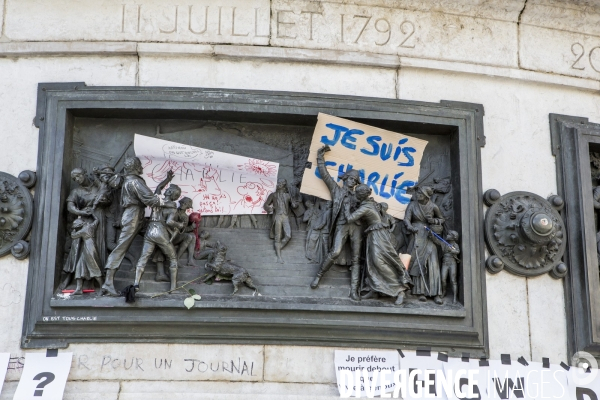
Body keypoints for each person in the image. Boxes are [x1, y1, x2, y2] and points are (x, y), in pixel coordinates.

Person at [102, 158, 171, 296]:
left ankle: (160, 272)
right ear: (135, 167)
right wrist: (169, 202)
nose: (142, 168)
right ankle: (108, 282)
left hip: (136, 215)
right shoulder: (135, 181)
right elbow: (149, 199)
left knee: (156, 236)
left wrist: (166, 180)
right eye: (140, 165)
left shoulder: (129, 180)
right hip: (133, 215)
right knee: (121, 247)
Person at [309, 145, 363, 301]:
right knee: (335, 252)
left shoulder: (359, 194)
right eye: (351, 178)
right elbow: (324, 174)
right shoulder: (336, 190)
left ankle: (354, 291)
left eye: (356, 180)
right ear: (345, 178)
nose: (353, 182)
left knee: (356, 258)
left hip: (356, 228)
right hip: (341, 225)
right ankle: (319, 276)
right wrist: (320, 157)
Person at [345, 184, 412, 305]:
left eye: (357, 193)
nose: (355, 195)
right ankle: (375, 288)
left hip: (377, 235)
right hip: (374, 234)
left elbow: (350, 218)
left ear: (361, 195)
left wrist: (345, 207)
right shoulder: (371, 203)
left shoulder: (365, 207)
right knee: (371, 262)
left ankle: (399, 290)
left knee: (378, 261)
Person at [133, 184, 184, 292]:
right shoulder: (172, 208)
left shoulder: (156, 200)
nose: (167, 190)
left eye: (169, 189)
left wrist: (166, 180)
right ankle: (173, 288)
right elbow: (169, 222)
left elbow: (158, 189)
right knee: (173, 258)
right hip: (161, 232)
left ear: (170, 192)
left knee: (143, 257)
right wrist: (179, 225)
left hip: (150, 230)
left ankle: (136, 283)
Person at [404, 186, 445, 304]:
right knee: (417, 260)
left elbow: (441, 219)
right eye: (417, 193)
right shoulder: (412, 205)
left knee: (432, 261)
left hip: (429, 234)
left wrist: (434, 221)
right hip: (416, 233)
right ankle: (420, 291)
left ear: (426, 196)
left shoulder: (433, 206)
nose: (418, 195)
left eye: (420, 194)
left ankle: (435, 293)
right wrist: (410, 227)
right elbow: (407, 219)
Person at [63, 216, 104, 295]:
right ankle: (79, 289)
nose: (76, 228)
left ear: (79, 225)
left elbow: (73, 236)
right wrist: (93, 214)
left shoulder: (83, 230)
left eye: (76, 226)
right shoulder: (91, 225)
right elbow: (97, 220)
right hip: (89, 248)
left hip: (89, 249)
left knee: (94, 268)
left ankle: (103, 287)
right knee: (79, 267)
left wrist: (73, 231)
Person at [263, 178, 298, 263]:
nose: (278, 184)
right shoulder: (273, 195)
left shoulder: (287, 195)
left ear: (283, 185)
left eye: (280, 183)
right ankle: (279, 257)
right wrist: (270, 208)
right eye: (278, 183)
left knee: (288, 235)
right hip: (277, 216)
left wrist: (294, 204)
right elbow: (266, 205)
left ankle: (278, 248)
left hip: (285, 217)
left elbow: (294, 205)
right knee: (277, 237)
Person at [429, 230, 460, 304]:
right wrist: (431, 235)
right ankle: (444, 291)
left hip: (452, 263)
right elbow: (436, 240)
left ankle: (455, 297)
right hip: (445, 263)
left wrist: (452, 251)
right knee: (443, 279)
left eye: (449, 234)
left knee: (453, 280)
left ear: (453, 237)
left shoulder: (455, 245)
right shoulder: (444, 243)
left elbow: (458, 251)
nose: (447, 235)